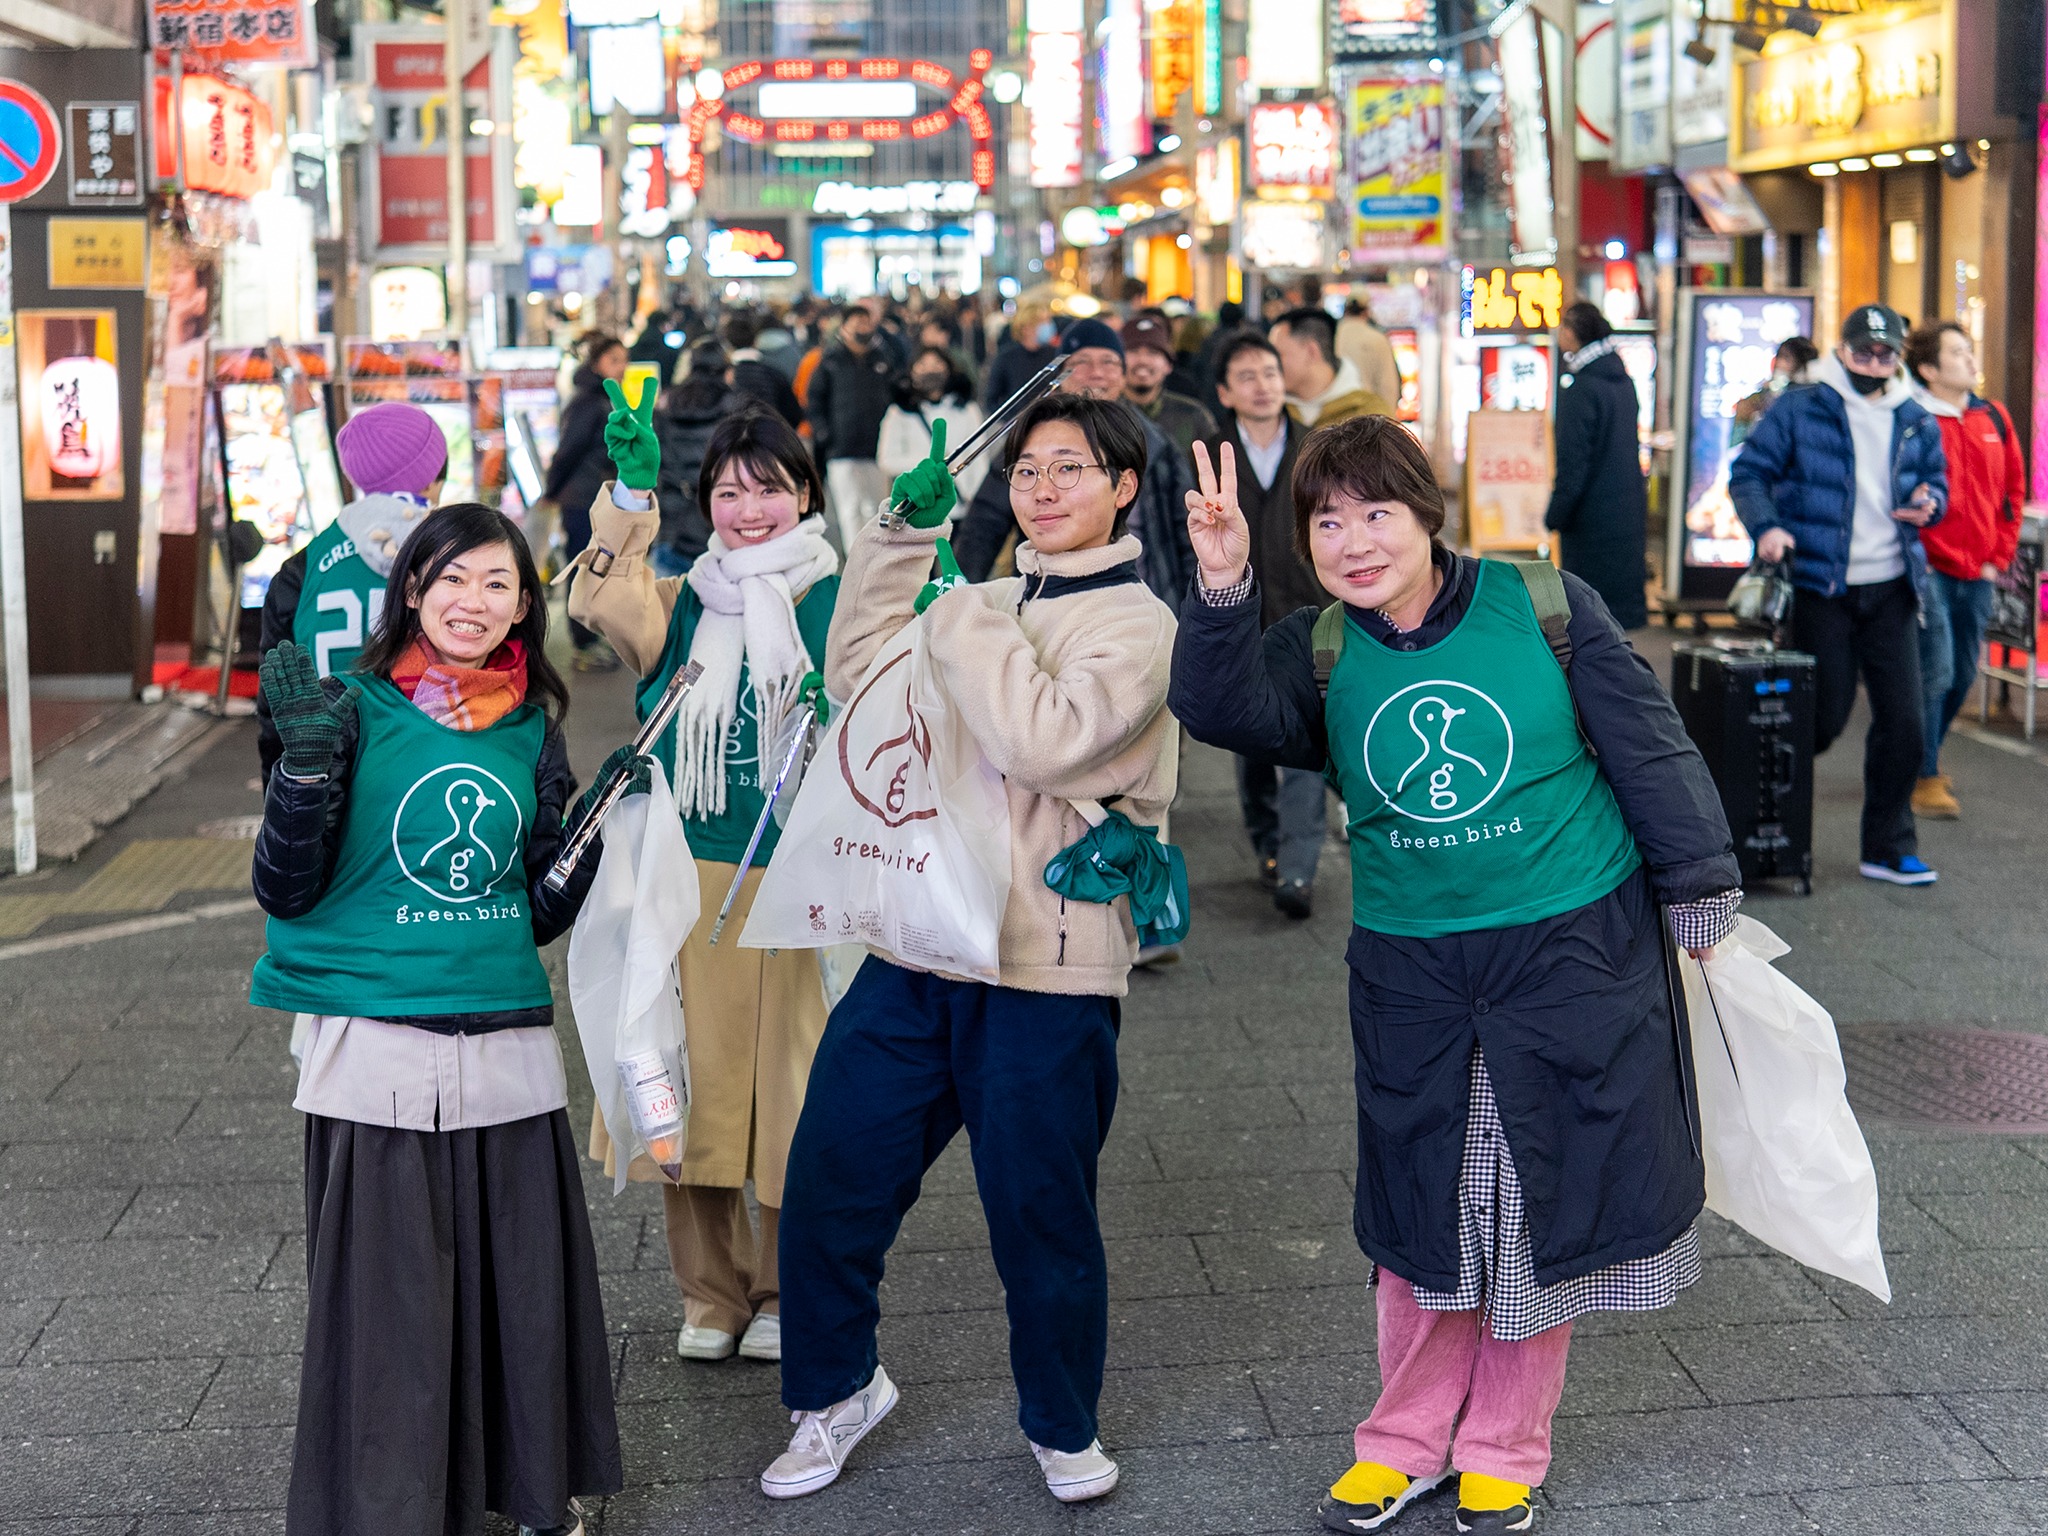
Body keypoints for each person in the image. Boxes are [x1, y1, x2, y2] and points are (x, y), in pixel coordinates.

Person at [1169, 413, 1740, 1536]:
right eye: (1326, 522)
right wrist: (1223, 584)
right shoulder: (1319, 647)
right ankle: (1401, 1442)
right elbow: (1218, 709)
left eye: (1375, 512)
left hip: (1567, 950)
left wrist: (1698, 887)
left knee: (1540, 1203)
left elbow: (1648, 747)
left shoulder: (1542, 607)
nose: (1352, 541)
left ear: (1426, 512)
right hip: (1413, 968)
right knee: (1421, 1213)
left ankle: (1502, 1449)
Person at [762, 394, 1179, 1507]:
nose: (1042, 491)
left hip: (1046, 967)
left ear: (1122, 487)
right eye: (1029, 471)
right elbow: (857, 670)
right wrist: (901, 544)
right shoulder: (981, 597)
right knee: (831, 1178)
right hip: (918, 944)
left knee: (1039, 1215)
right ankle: (834, 1390)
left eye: (1070, 470)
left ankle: (1059, 1422)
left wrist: (957, 615)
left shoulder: (1136, 625)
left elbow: (1039, 738)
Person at [250, 501, 625, 1536]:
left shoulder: (530, 729)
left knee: (523, 1291)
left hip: (502, 1037)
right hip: (375, 1041)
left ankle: (531, 1489)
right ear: (411, 589)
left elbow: (531, 909)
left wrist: (586, 847)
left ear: (524, 606)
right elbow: (282, 888)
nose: (474, 601)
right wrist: (305, 771)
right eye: (452, 579)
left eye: (498, 583)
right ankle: (392, 1509)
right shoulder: (350, 708)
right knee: (393, 1303)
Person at [566, 394, 839, 1368]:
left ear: (804, 494)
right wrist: (630, 492)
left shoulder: (833, 594)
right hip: (682, 885)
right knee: (684, 1086)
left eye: (769, 488)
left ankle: (780, 1290)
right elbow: (598, 600)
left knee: (794, 1102)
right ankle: (710, 1292)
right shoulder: (681, 604)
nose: (749, 508)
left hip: (806, 890)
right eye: (729, 491)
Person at [1730, 304, 1949, 885]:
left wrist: (1929, 503)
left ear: (1899, 357)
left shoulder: (1916, 416)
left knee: (1905, 723)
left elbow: (1938, 486)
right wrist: (1768, 527)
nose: (1874, 363)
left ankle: (1888, 844)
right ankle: (1766, 837)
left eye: (1886, 354)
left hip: (1893, 586)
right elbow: (1749, 473)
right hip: (1821, 587)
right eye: (1864, 352)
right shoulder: (1802, 406)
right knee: (1819, 720)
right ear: (1843, 349)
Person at [1198, 330, 1324, 919]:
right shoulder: (1211, 455)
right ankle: (1268, 844)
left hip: (1309, 616)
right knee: (1251, 745)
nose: (1262, 385)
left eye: (1270, 373)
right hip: (1242, 620)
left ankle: (1297, 869)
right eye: (1246, 376)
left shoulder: (1316, 448)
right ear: (1226, 391)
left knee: (1305, 746)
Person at [257, 401, 445, 783]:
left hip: (326, 770)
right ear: (429, 479)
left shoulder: (303, 568)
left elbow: (274, 704)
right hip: (431, 766)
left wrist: (282, 798)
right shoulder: (453, 555)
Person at [951, 319, 1196, 611]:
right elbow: (986, 521)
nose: (1096, 373)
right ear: (1060, 372)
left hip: (1146, 597)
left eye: (1109, 362)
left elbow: (1185, 533)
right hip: (1048, 600)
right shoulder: (1033, 438)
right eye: (1082, 362)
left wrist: (1194, 611)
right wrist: (957, 594)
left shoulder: (1156, 444)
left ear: (1122, 375)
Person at [1904, 320, 2025, 819]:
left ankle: (1919, 759)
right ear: (1929, 369)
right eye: (1957, 353)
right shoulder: (1913, 420)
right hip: (1930, 567)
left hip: (1980, 571)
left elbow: (2013, 491)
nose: (1971, 360)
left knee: (1962, 676)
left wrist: (1999, 556)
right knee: (1939, 671)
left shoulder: (1993, 417)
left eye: (1970, 350)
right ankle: (1924, 776)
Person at [1544, 302, 1651, 630]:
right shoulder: (1622, 381)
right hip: (1626, 512)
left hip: (1591, 520)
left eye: (1563, 329)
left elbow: (1573, 462)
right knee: (1619, 627)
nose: (1560, 336)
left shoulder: (1581, 389)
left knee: (1589, 619)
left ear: (1573, 334)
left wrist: (1556, 514)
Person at [542, 331, 629, 670]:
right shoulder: (587, 401)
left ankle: (591, 638)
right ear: (596, 363)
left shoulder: (603, 398)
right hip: (581, 500)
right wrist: (551, 491)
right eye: (614, 360)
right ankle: (583, 645)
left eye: (624, 361)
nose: (621, 368)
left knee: (596, 570)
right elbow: (569, 450)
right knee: (583, 571)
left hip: (597, 497)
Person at [808, 300, 901, 549]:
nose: (863, 327)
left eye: (867, 321)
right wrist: (824, 433)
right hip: (841, 448)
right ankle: (855, 560)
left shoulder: (883, 359)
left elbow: (896, 395)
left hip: (877, 447)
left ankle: (875, 560)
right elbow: (814, 400)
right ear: (845, 327)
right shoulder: (830, 361)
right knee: (849, 510)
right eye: (857, 322)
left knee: (877, 507)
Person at [650, 341, 744, 576]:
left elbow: (655, 464)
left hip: (672, 527)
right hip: (723, 528)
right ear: (727, 370)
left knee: (671, 607)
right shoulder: (737, 407)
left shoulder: (665, 403)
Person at [878, 345, 989, 507]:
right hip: (917, 506)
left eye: (937, 364)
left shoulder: (966, 409)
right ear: (912, 372)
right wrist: (930, 465)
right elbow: (886, 460)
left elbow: (978, 456)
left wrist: (978, 497)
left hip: (960, 504)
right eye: (923, 365)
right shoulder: (899, 412)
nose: (930, 371)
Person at [1270, 306, 1393, 428]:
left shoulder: (1369, 414)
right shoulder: (1268, 411)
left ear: (1311, 352)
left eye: (1278, 354)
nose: (1271, 365)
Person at [1122, 315, 1218, 461]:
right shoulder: (1104, 417)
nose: (1142, 360)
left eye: (1153, 352)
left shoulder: (1194, 416)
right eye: (1133, 351)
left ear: (1168, 365)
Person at [723, 310, 805, 428]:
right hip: (770, 438)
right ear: (755, 340)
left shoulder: (722, 376)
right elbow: (794, 414)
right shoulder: (774, 373)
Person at [1732, 336, 1819, 444]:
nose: (1780, 364)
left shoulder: (1818, 403)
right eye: (1780, 357)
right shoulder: (1755, 402)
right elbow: (1737, 446)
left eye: (1787, 359)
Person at [982, 296, 1059, 411]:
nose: (1048, 325)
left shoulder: (1054, 355)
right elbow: (991, 400)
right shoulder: (1005, 358)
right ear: (1026, 328)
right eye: (1043, 321)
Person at [1336, 297, 1402, 413]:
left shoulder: (1332, 336)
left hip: (1333, 418)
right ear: (1367, 312)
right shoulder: (1378, 339)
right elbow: (1388, 387)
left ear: (1345, 311)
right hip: (1368, 418)